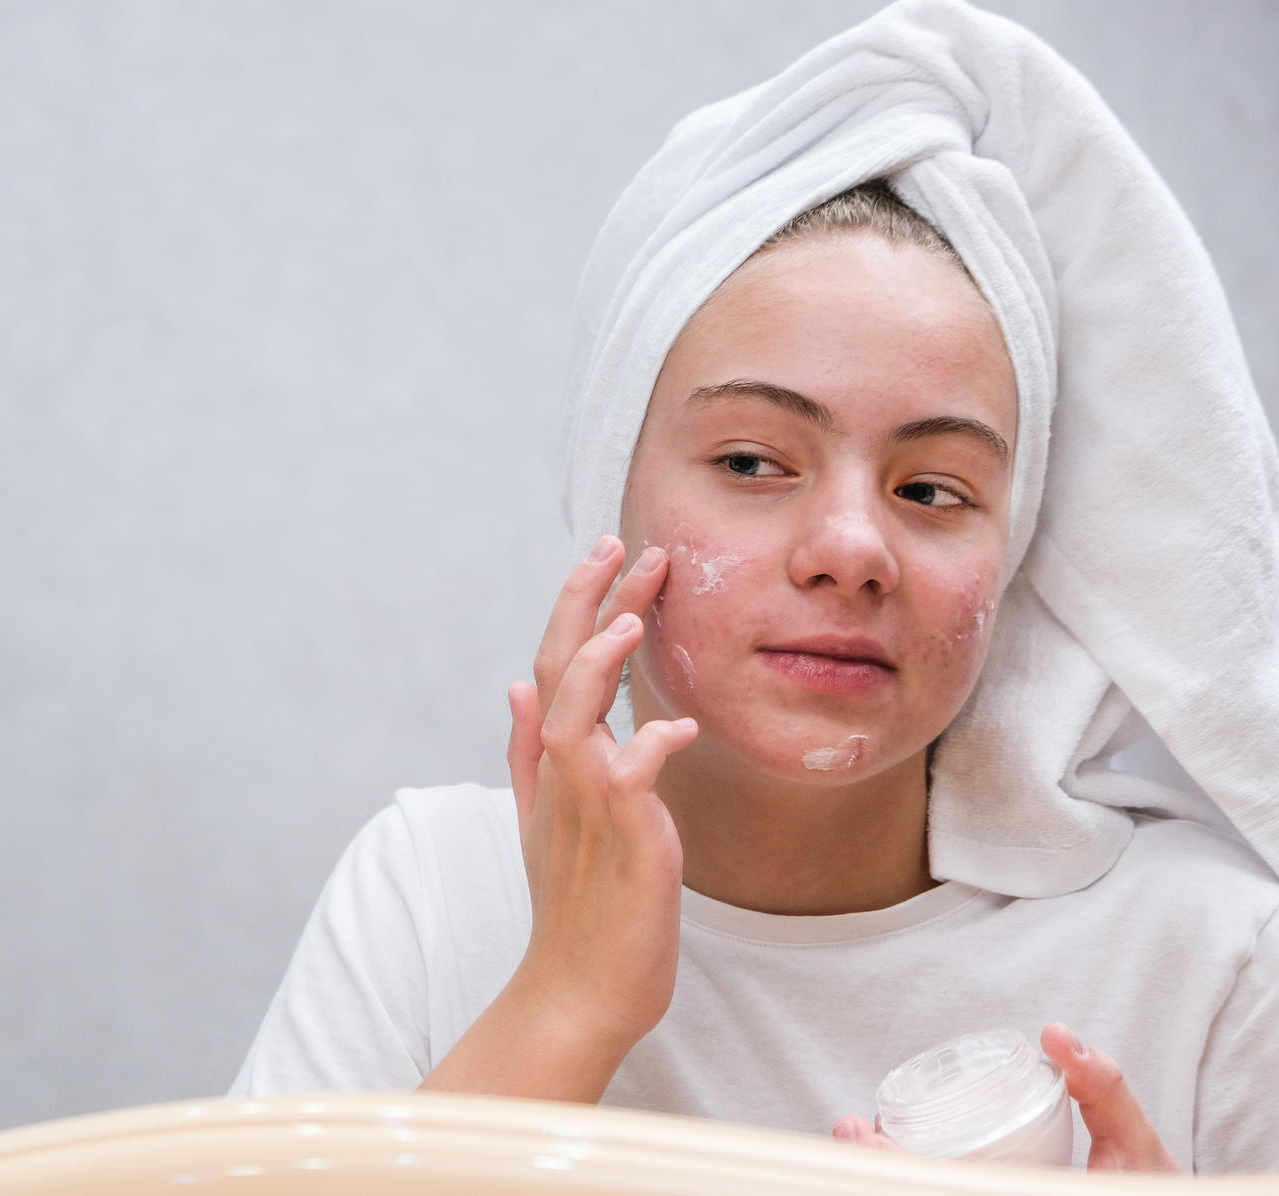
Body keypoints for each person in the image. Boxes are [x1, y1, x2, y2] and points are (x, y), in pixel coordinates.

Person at [231, 0, 1279, 1175]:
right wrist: (566, 1000)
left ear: (1013, 547)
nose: (850, 547)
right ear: (607, 497)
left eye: (933, 489)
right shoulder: (437, 895)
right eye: (749, 461)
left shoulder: (1211, 955)